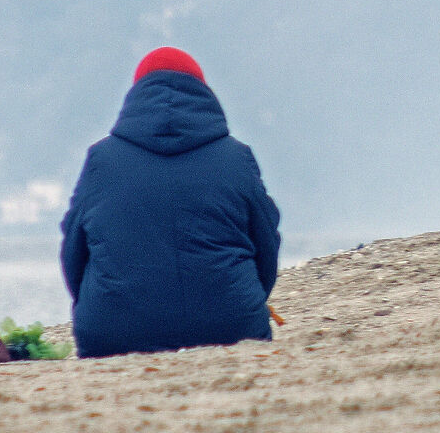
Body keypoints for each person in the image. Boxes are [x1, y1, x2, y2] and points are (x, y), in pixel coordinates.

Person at [60, 48, 281, 358]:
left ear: (136, 93)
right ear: (202, 91)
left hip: (112, 333)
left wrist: (92, 304)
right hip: (232, 326)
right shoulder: (236, 158)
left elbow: (73, 252)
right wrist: (250, 297)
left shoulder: (101, 160)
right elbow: (267, 244)